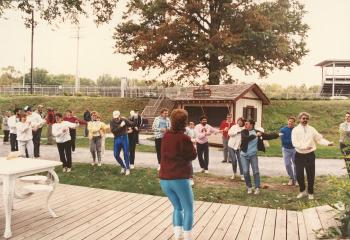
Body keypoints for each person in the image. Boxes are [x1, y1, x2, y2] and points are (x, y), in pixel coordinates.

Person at [159, 109, 197, 240]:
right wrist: (193, 144)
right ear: (185, 122)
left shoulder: (166, 136)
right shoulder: (184, 138)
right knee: (188, 209)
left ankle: (177, 237)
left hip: (164, 179)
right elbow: (193, 155)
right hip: (179, 179)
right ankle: (187, 238)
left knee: (177, 208)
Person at [292, 112, 333, 200]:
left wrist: (327, 143)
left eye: (306, 119)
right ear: (300, 119)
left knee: (310, 174)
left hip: (310, 155)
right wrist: (304, 147)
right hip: (299, 155)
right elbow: (294, 143)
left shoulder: (312, 129)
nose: (305, 120)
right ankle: (302, 191)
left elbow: (319, 139)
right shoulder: (295, 130)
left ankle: (310, 192)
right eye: (303, 118)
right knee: (299, 174)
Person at [240, 119, 279, 195]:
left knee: (256, 171)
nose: (245, 125)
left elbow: (268, 136)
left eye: (247, 124)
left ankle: (257, 187)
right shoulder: (243, 132)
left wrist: (277, 135)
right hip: (244, 155)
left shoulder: (257, 132)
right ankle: (249, 187)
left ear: (251, 125)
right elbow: (246, 139)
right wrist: (256, 135)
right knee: (245, 171)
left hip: (253, 155)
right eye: (245, 124)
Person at [110, 110, 134, 175]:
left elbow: (132, 124)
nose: (116, 119)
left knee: (126, 153)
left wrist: (130, 119)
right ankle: (123, 166)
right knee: (116, 155)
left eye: (117, 117)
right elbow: (113, 131)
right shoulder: (112, 121)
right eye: (115, 118)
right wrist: (120, 126)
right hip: (117, 138)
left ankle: (128, 168)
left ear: (119, 116)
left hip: (124, 138)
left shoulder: (124, 119)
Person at [280, 116, 297, 186]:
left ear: (294, 123)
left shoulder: (296, 130)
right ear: (288, 121)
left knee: (296, 165)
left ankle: (296, 179)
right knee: (287, 164)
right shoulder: (283, 130)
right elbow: (283, 141)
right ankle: (291, 178)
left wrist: (294, 143)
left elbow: (297, 140)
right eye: (289, 121)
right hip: (286, 149)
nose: (290, 123)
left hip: (295, 149)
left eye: (292, 122)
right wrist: (293, 142)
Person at [185, 121, 197, 186]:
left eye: (193, 124)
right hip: (186, 147)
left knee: (189, 163)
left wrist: (194, 140)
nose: (192, 125)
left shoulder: (194, 130)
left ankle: (190, 178)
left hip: (191, 147)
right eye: (191, 124)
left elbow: (195, 137)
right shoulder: (186, 129)